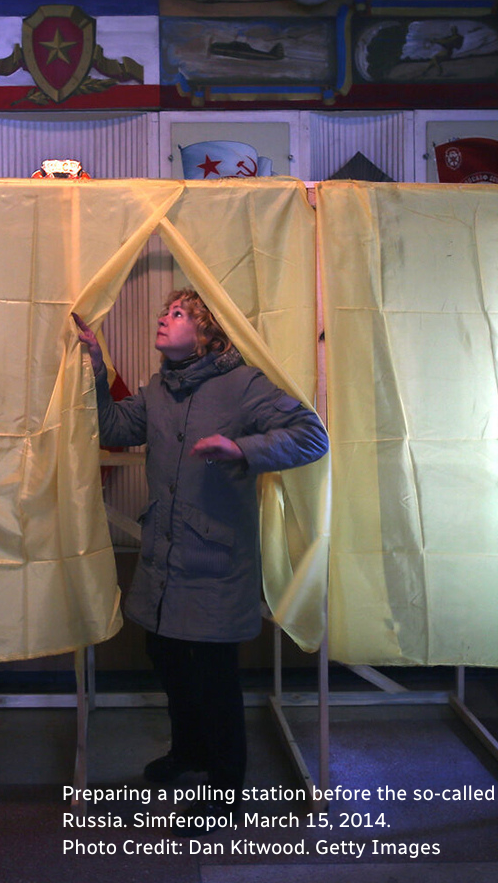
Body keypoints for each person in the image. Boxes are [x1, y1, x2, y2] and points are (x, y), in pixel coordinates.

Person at [73, 290, 328, 836]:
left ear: (209, 332)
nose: (163, 319)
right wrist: (95, 367)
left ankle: (227, 782)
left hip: (214, 558)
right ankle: (187, 753)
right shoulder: (161, 385)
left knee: (212, 673)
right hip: (165, 553)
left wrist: (243, 451)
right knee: (166, 654)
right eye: (165, 311)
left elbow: (312, 436)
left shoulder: (243, 384)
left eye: (179, 314)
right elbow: (117, 428)